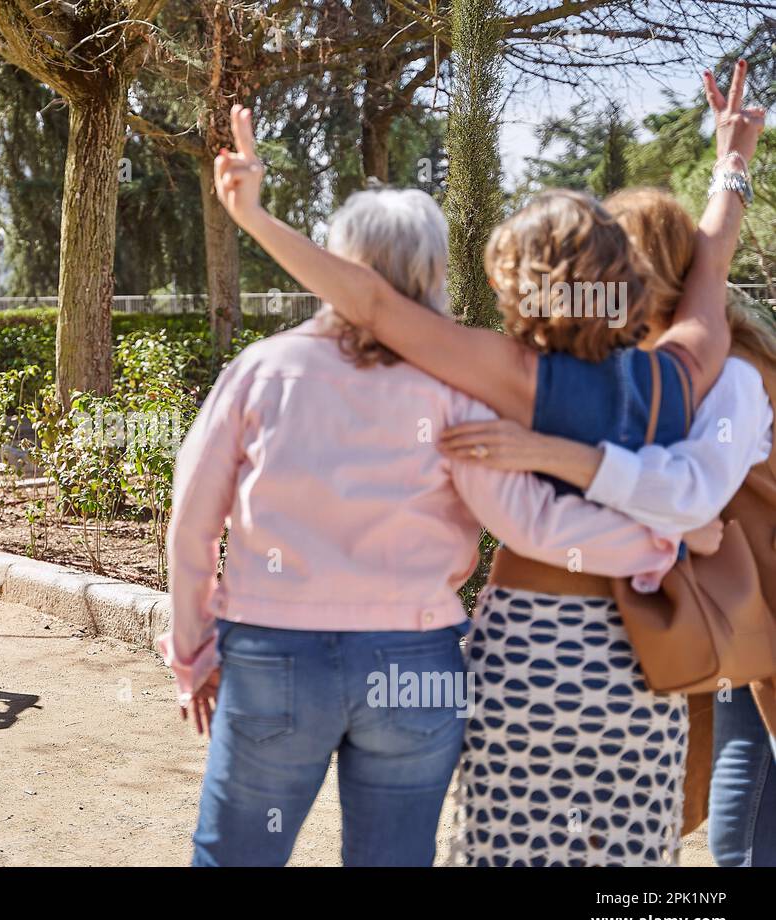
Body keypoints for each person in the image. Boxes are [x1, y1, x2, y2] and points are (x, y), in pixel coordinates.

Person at [209, 62, 762, 863]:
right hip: (642, 662)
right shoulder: (683, 370)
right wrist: (730, 160)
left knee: (510, 846)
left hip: (528, 652)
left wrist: (254, 215)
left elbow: (369, 304)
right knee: (628, 858)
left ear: (520, 289)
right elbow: (709, 260)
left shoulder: (508, 374)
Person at [160, 186, 682, 867]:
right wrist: (658, 538)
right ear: (432, 272)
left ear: (339, 262)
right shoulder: (453, 389)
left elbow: (191, 526)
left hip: (273, 655)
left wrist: (192, 656)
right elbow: (531, 524)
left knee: (232, 858)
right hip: (415, 663)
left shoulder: (261, 371)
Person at [438, 187, 776, 867]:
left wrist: (557, 456)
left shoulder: (724, 374)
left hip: (725, 615)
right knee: (697, 833)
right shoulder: (662, 371)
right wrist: (729, 174)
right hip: (706, 630)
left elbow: (686, 495)